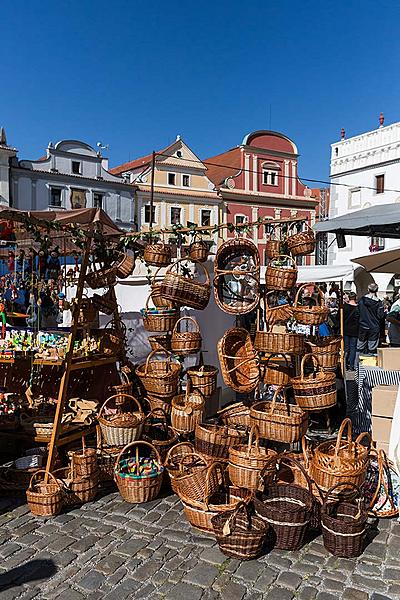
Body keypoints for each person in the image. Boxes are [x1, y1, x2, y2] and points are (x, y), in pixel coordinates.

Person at [357, 283, 385, 355]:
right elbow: (381, 316)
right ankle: (369, 364)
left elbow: (357, 314)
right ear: (377, 290)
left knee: (359, 348)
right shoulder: (379, 303)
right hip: (374, 327)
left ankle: (357, 365)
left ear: (368, 289)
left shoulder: (361, 301)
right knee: (372, 349)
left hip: (363, 326)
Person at [344, 292, 359, 370]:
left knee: (346, 348)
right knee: (353, 348)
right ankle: (351, 366)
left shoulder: (344, 307)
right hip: (355, 331)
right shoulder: (358, 308)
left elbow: (338, 318)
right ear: (355, 298)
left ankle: (345, 365)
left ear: (349, 298)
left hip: (345, 330)